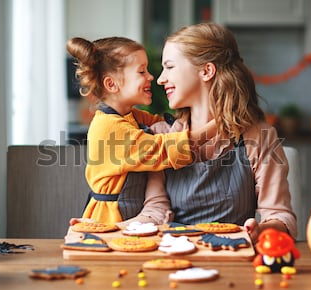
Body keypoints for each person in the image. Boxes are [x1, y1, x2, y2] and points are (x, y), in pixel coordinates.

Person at [124, 22, 297, 243]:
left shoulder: (259, 136)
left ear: (206, 71)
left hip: (233, 257)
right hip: (174, 258)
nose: (160, 79)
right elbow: (156, 209)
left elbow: (280, 215)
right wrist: (118, 229)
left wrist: (262, 230)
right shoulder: (161, 136)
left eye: (169, 67)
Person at [66, 36, 216, 224]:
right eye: (141, 71)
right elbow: (164, 148)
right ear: (111, 84)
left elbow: (167, 127)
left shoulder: (131, 116)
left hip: (130, 216)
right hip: (110, 220)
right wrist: (218, 125)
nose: (151, 77)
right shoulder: (109, 129)